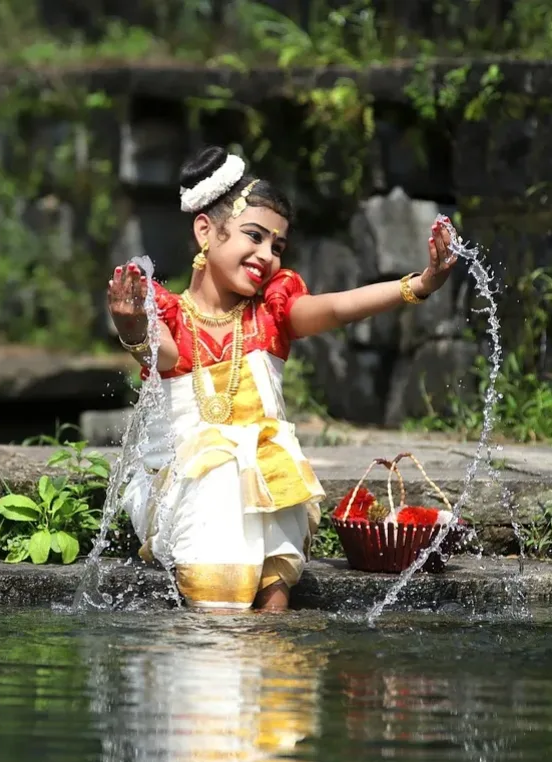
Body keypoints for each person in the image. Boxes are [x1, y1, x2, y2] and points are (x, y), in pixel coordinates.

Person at [107, 146, 457, 612]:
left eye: (277, 246)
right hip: (194, 495)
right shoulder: (171, 316)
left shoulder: (273, 313)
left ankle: (274, 657)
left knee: (275, 583)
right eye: (254, 236)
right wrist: (131, 324)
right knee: (222, 484)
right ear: (206, 230)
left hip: (272, 493)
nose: (266, 255)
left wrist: (419, 284)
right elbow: (158, 351)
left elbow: (335, 306)